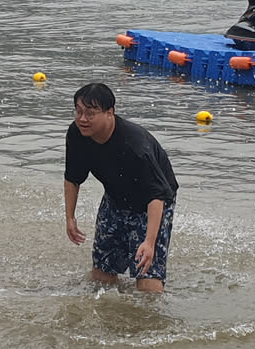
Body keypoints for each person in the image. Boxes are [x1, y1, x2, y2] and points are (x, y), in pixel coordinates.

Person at [62, 82, 177, 294]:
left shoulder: (135, 145)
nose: (82, 119)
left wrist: (149, 242)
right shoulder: (77, 134)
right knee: (102, 275)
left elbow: (157, 196)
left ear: (110, 113)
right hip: (115, 197)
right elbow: (72, 178)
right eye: (78, 111)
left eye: (90, 113)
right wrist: (70, 217)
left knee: (148, 283)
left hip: (153, 203)